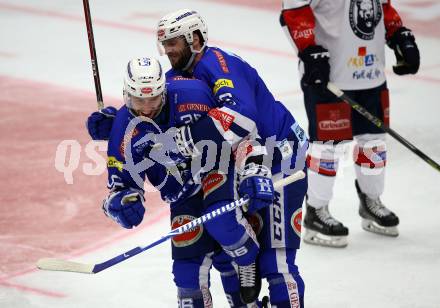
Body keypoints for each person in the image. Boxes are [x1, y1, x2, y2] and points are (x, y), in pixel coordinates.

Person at [155, 9, 308, 307]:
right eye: (164, 43)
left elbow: (241, 119)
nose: (168, 49)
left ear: (194, 38)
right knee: (231, 245)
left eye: (174, 41)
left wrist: (189, 138)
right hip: (244, 162)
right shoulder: (177, 75)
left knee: (277, 264)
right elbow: (155, 108)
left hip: (282, 159)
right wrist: (121, 121)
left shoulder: (218, 65)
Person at [87, 57, 265, 307]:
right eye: (139, 100)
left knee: (221, 222)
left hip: (215, 168)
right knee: (187, 275)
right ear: (126, 95)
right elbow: (123, 187)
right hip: (181, 193)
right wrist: (121, 205)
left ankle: (247, 258)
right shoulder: (123, 128)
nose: (147, 109)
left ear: (165, 91)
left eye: (153, 99)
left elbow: (241, 128)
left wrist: (254, 168)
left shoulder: (194, 94)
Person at [280, 0, 420, 247]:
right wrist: (308, 50)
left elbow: (382, 8)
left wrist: (398, 34)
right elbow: (293, 13)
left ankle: (371, 201)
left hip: (371, 73)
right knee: (328, 146)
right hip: (330, 76)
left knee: (373, 143)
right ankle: (316, 210)